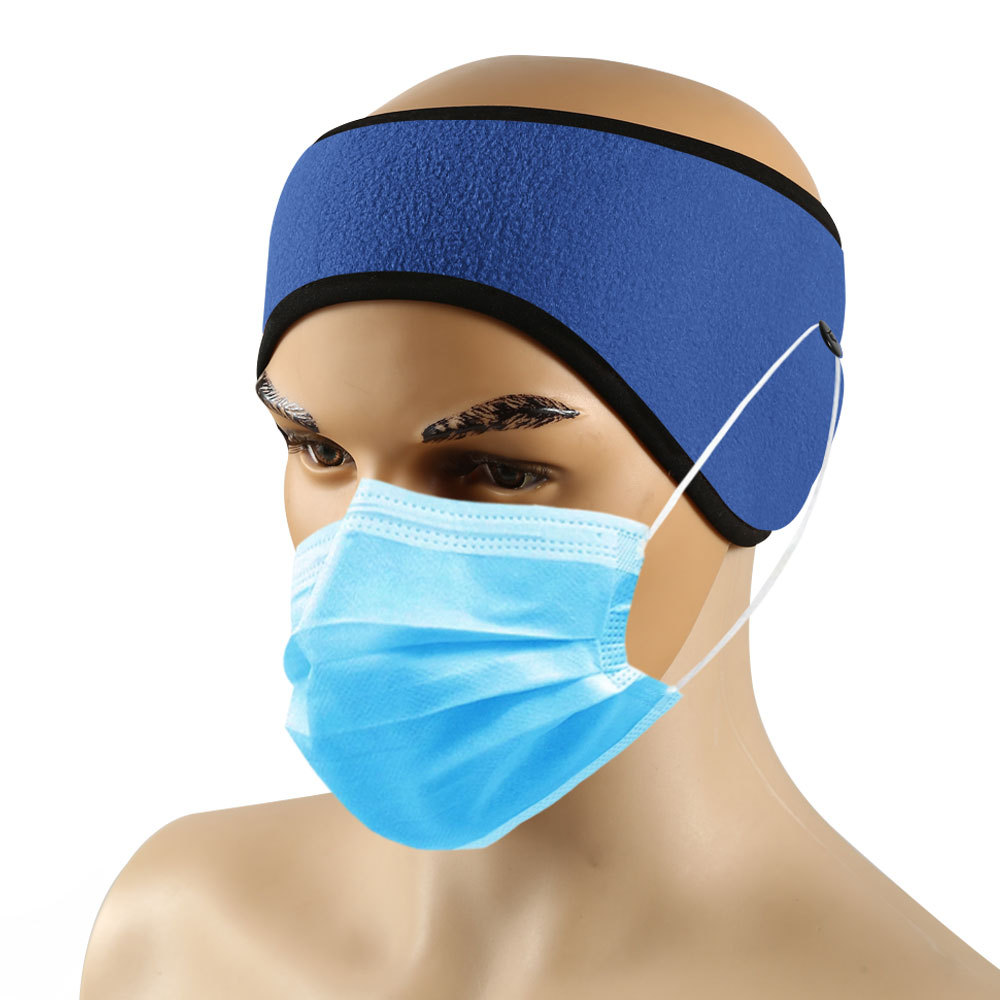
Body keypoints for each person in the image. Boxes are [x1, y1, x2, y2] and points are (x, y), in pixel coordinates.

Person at [80, 55, 1000, 999]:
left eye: (500, 470)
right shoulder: (171, 934)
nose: (365, 564)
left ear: (767, 449)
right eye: (320, 451)